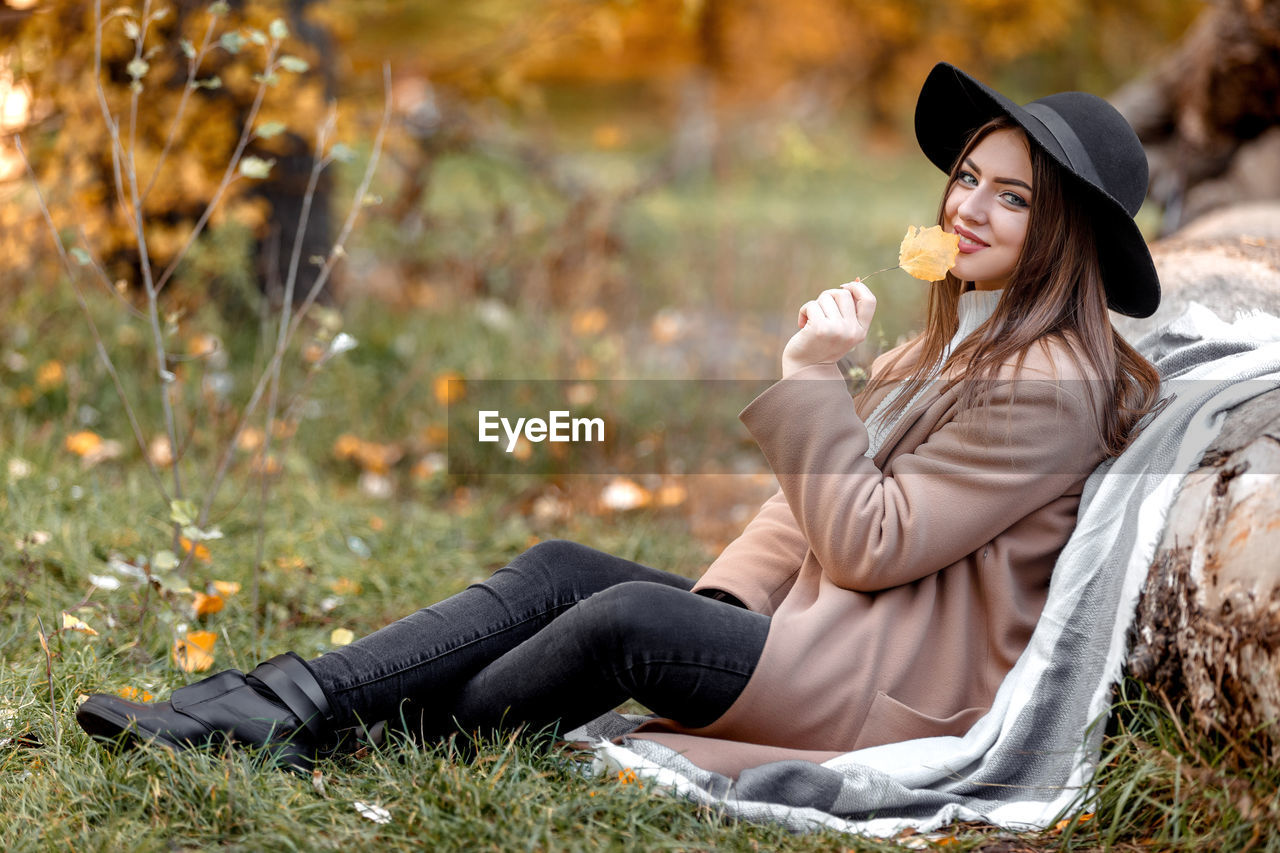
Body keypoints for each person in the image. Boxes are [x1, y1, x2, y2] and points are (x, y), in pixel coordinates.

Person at [76, 62, 1163, 779]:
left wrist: (806, 377)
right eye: (966, 178)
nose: (965, 207)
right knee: (562, 566)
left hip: (880, 690)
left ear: (1062, 231)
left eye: (1011, 196)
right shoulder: (946, 342)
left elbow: (869, 544)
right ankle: (285, 701)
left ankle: (342, 733)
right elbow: (804, 510)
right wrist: (724, 606)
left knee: (623, 622)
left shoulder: (1048, 386)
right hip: (808, 638)